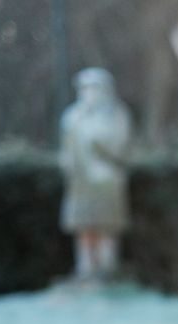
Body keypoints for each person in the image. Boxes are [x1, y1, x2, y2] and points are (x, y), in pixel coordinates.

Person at [59, 68, 133, 280]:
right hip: (80, 182)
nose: (89, 92)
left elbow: (120, 145)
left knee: (107, 225)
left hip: (107, 180)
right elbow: (67, 147)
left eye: (94, 87)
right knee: (83, 224)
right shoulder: (73, 116)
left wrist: (99, 142)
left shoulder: (116, 114)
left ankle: (107, 269)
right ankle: (85, 268)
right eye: (85, 88)